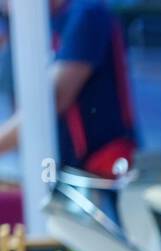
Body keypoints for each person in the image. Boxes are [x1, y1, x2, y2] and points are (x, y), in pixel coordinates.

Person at [0, 0, 137, 177]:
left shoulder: (86, 13)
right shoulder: (39, 22)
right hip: (61, 167)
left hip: (101, 168)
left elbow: (51, 100)